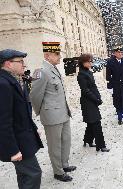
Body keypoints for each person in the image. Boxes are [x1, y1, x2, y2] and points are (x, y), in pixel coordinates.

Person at [30, 42, 76, 182]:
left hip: (63, 113)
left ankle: (64, 164)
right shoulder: (40, 71)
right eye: (57, 54)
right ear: (47, 55)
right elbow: (34, 95)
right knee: (55, 145)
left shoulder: (54, 69)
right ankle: (58, 172)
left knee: (66, 141)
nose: (60, 56)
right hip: (51, 116)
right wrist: (42, 112)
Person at [0, 49, 43, 189]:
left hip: (24, 136)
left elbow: (23, 112)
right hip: (17, 142)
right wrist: (12, 150)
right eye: (20, 61)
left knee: (25, 174)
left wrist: (34, 129)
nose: (24, 65)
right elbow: (3, 121)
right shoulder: (3, 84)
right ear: (8, 64)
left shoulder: (15, 80)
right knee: (33, 174)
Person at [77, 54, 110, 152]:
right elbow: (85, 91)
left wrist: (98, 97)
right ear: (83, 63)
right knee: (96, 122)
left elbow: (93, 87)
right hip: (88, 102)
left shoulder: (88, 72)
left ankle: (87, 140)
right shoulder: (81, 75)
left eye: (91, 61)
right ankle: (101, 145)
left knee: (92, 122)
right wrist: (96, 99)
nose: (91, 63)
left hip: (93, 99)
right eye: (89, 61)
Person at [106, 45, 123, 125]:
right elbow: (108, 76)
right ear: (115, 53)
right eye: (119, 52)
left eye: (121, 52)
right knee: (118, 103)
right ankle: (120, 118)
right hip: (116, 86)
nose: (121, 53)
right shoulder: (110, 62)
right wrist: (110, 87)